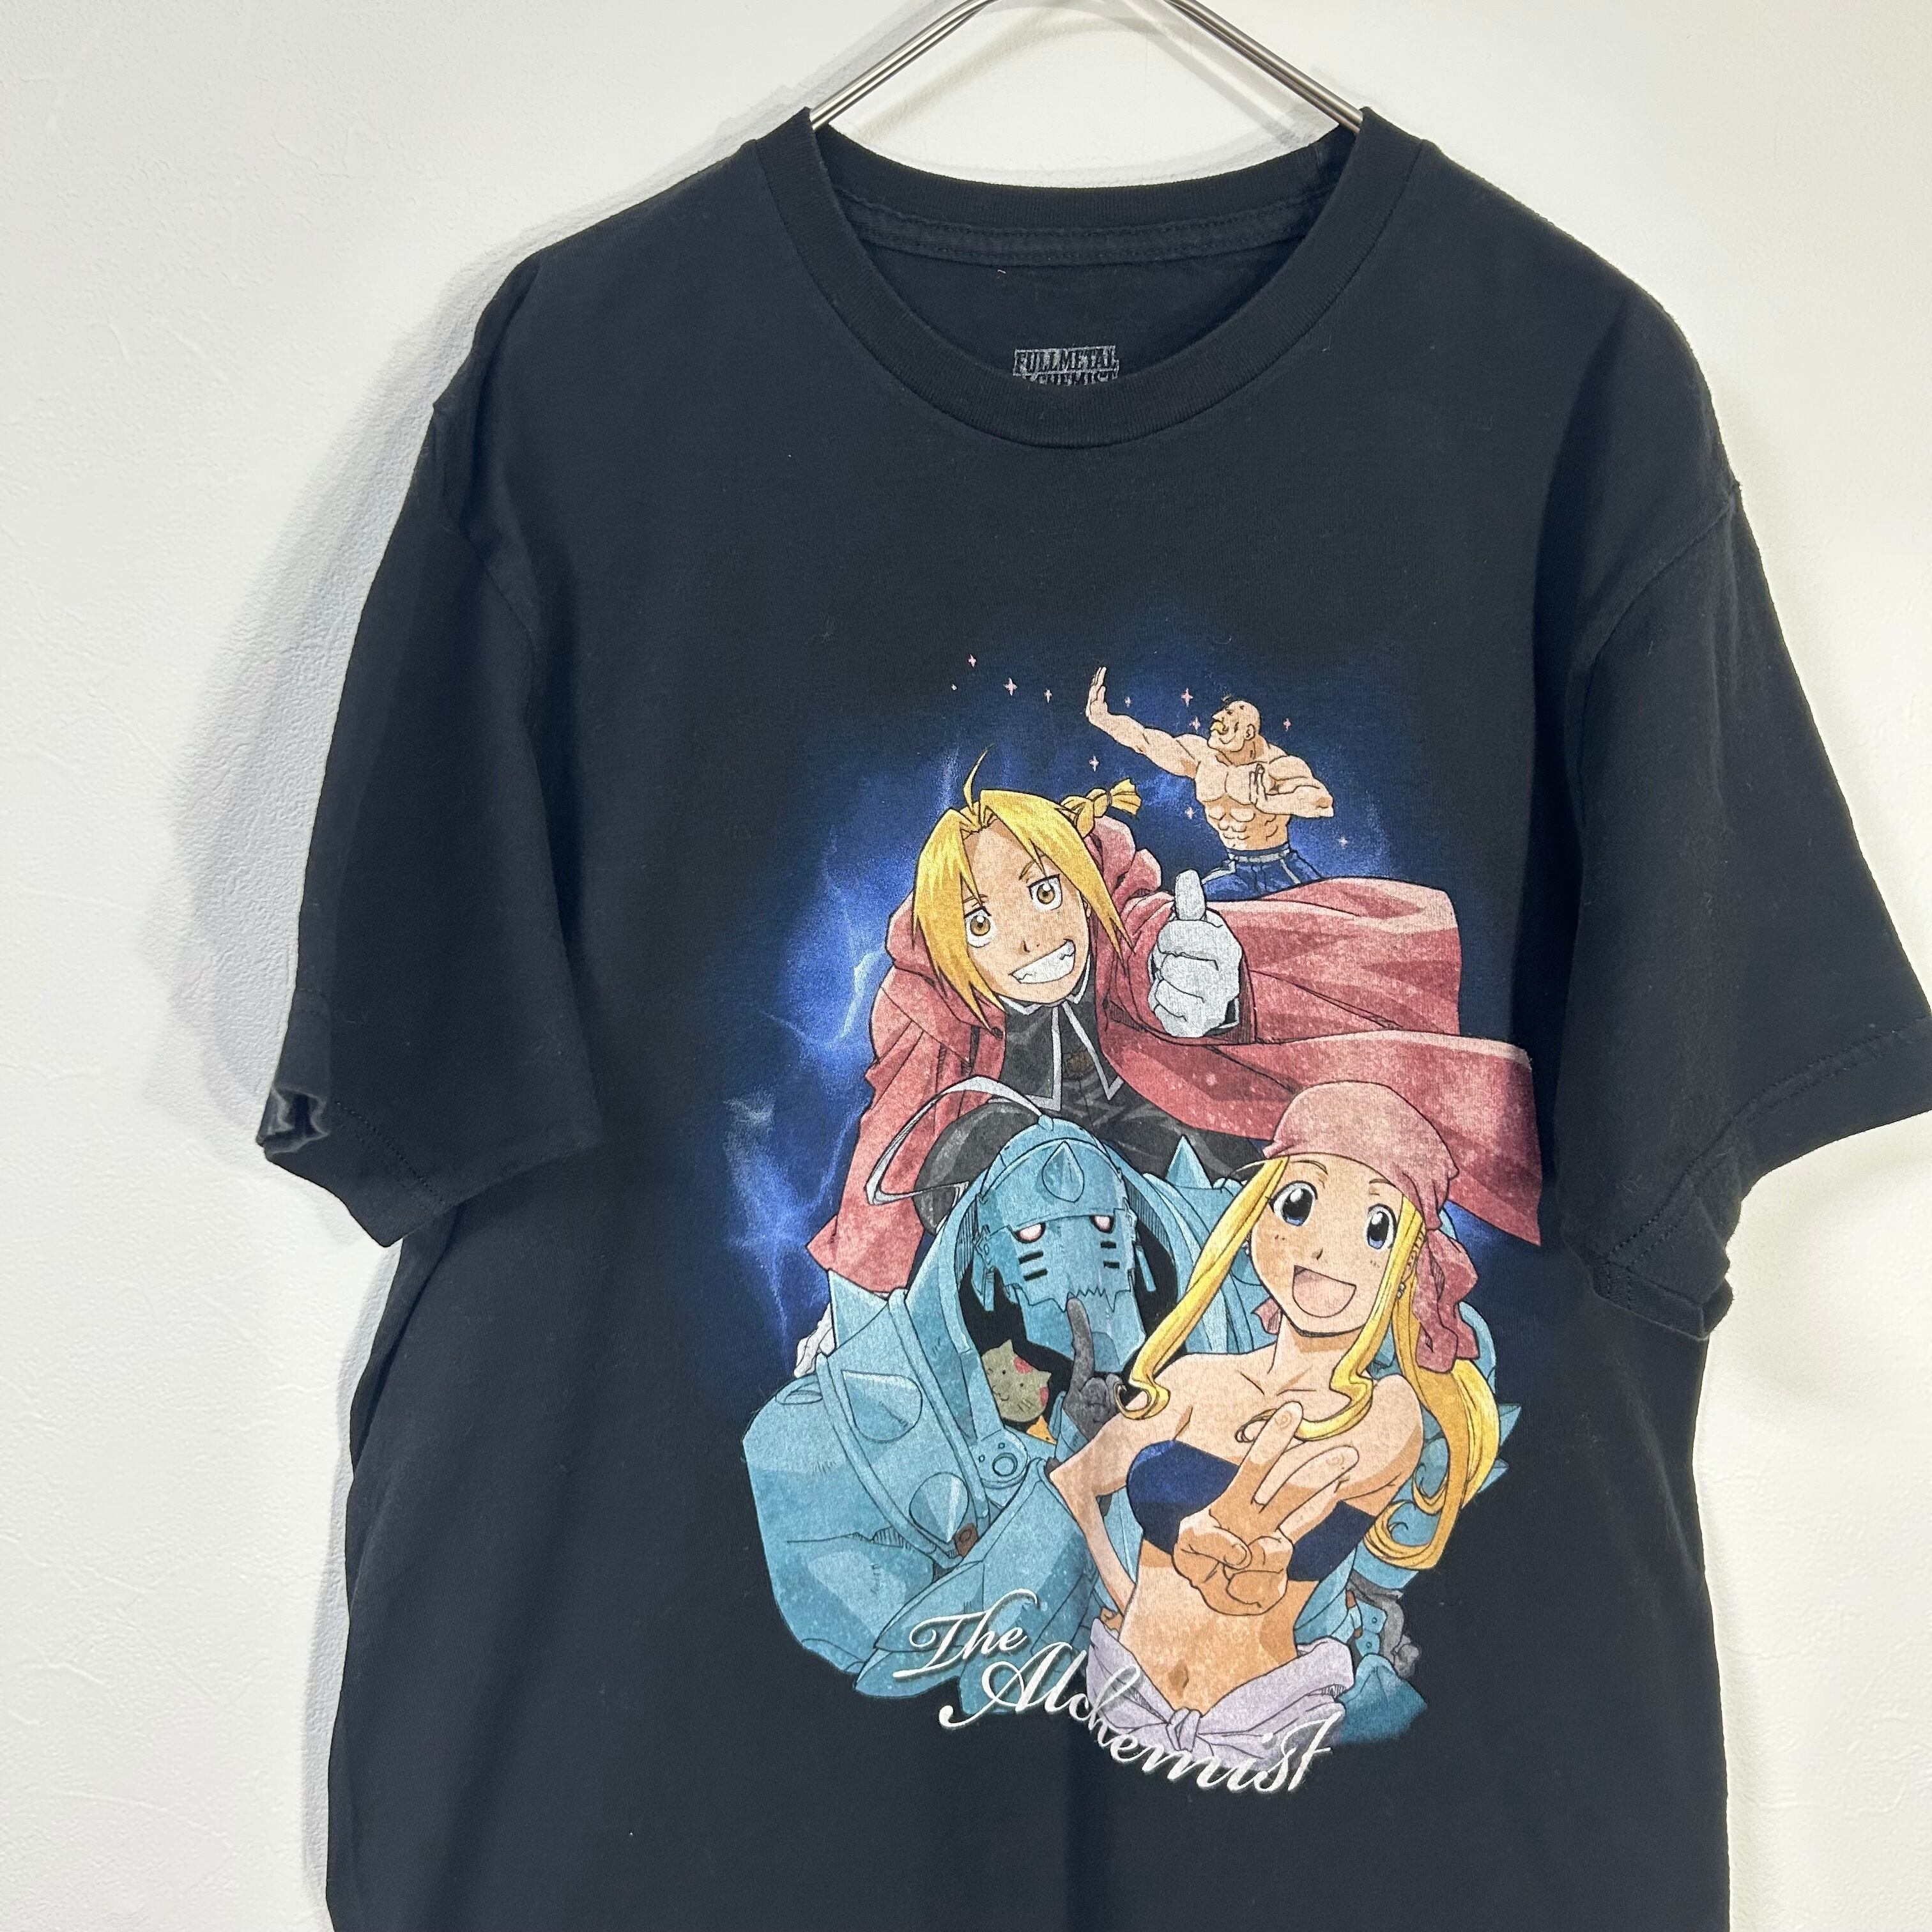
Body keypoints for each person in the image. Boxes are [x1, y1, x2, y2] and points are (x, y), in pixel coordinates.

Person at [809, 774, 1535, 1298]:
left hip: (1176, 1165)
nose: (1031, 938)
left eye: (1045, 891)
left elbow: (1151, 949)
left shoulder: (1120, 938)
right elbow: (895, 1139)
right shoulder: (937, 1015)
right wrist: (859, 1304)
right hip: (1049, 1227)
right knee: (969, 1149)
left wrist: (1205, 985)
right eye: (980, 922)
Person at [1049, 1079, 1540, 1768]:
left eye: (1375, 1227)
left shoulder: (1387, 1410)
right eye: (1300, 1204)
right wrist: (1126, 1589)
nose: (1328, 1250)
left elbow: (1304, 1496)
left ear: (1410, 1265)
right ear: (1258, 1214)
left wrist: (1247, 1547)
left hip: (1262, 1726)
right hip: (1124, 1693)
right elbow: (1077, 1483)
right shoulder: (1194, 1380)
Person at [1085, 666, 1331, 897]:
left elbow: (1321, 802)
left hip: (1280, 868)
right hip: (1237, 869)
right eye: (1221, 712)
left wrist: (1273, 803)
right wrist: (1103, 719)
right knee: (1189, 911)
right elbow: (1145, 741)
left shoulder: (1277, 765)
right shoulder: (1203, 760)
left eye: (1229, 714)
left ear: (1248, 732)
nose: (1217, 718)